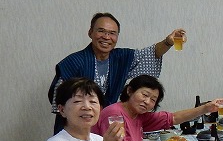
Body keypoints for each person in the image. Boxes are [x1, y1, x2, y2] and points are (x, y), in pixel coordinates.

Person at [48, 12, 185, 134]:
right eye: (101, 31)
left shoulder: (120, 58)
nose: (106, 37)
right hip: (77, 127)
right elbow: (58, 100)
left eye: (112, 33)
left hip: (107, 123)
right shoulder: (74, 62)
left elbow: (150, 54)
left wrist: (168, 42)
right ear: (90, 32)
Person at [93, 75, 223, 141]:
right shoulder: (115, 115)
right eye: (144, 95)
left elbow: (173, 118)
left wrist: (205, 108)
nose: (147, 101)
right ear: (129, 91)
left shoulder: (138, 115)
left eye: (153, 100)